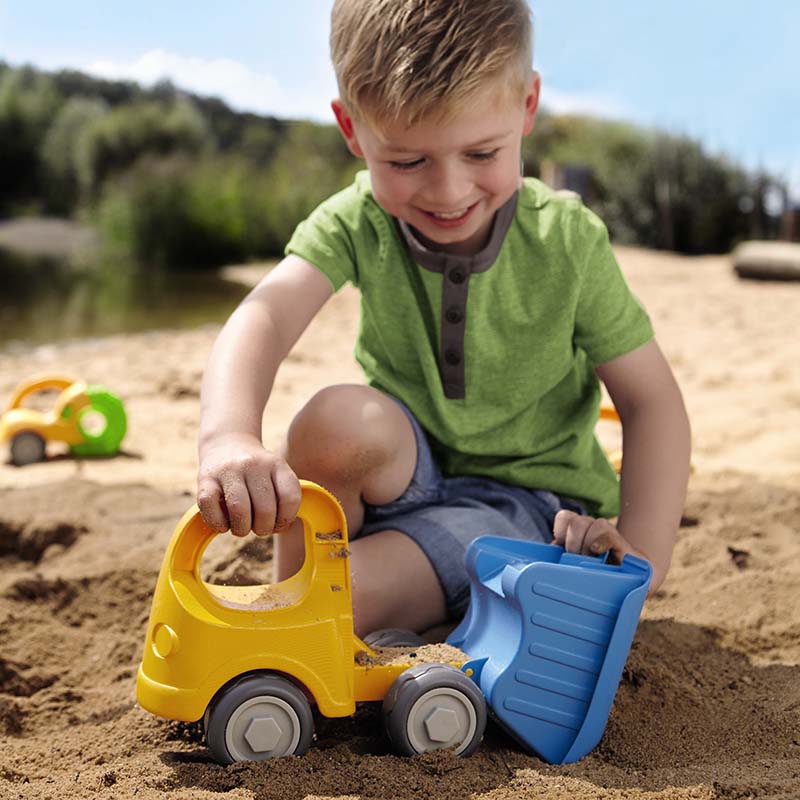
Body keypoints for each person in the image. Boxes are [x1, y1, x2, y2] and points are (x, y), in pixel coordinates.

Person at [196, 0, 691, 640]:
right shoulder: (358, 220)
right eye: (406, 162)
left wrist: (643, 568)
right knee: (333, 422)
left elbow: (652, 402)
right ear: (352, 128)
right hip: (406, 476)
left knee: (340, 603)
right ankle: (302, 604)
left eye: (482, 153)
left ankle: (308, 622)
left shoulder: (566, 240)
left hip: (527, 509)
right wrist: (227, 438)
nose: (448, 191)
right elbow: (260, 318)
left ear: (527, 107)